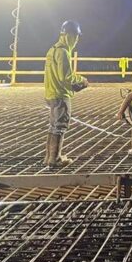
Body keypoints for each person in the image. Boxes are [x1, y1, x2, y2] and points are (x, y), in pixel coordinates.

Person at [43, 20, 89, 167]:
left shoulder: (52, 49)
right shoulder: (62, 52)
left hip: (51, 93)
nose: (76, 40)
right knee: (60, 126)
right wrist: (82, 80)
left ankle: (49, 157)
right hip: (60, 95)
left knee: (53, 126)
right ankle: (55, 159)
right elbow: (66, 76)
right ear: (69, 35)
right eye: (76, 36)